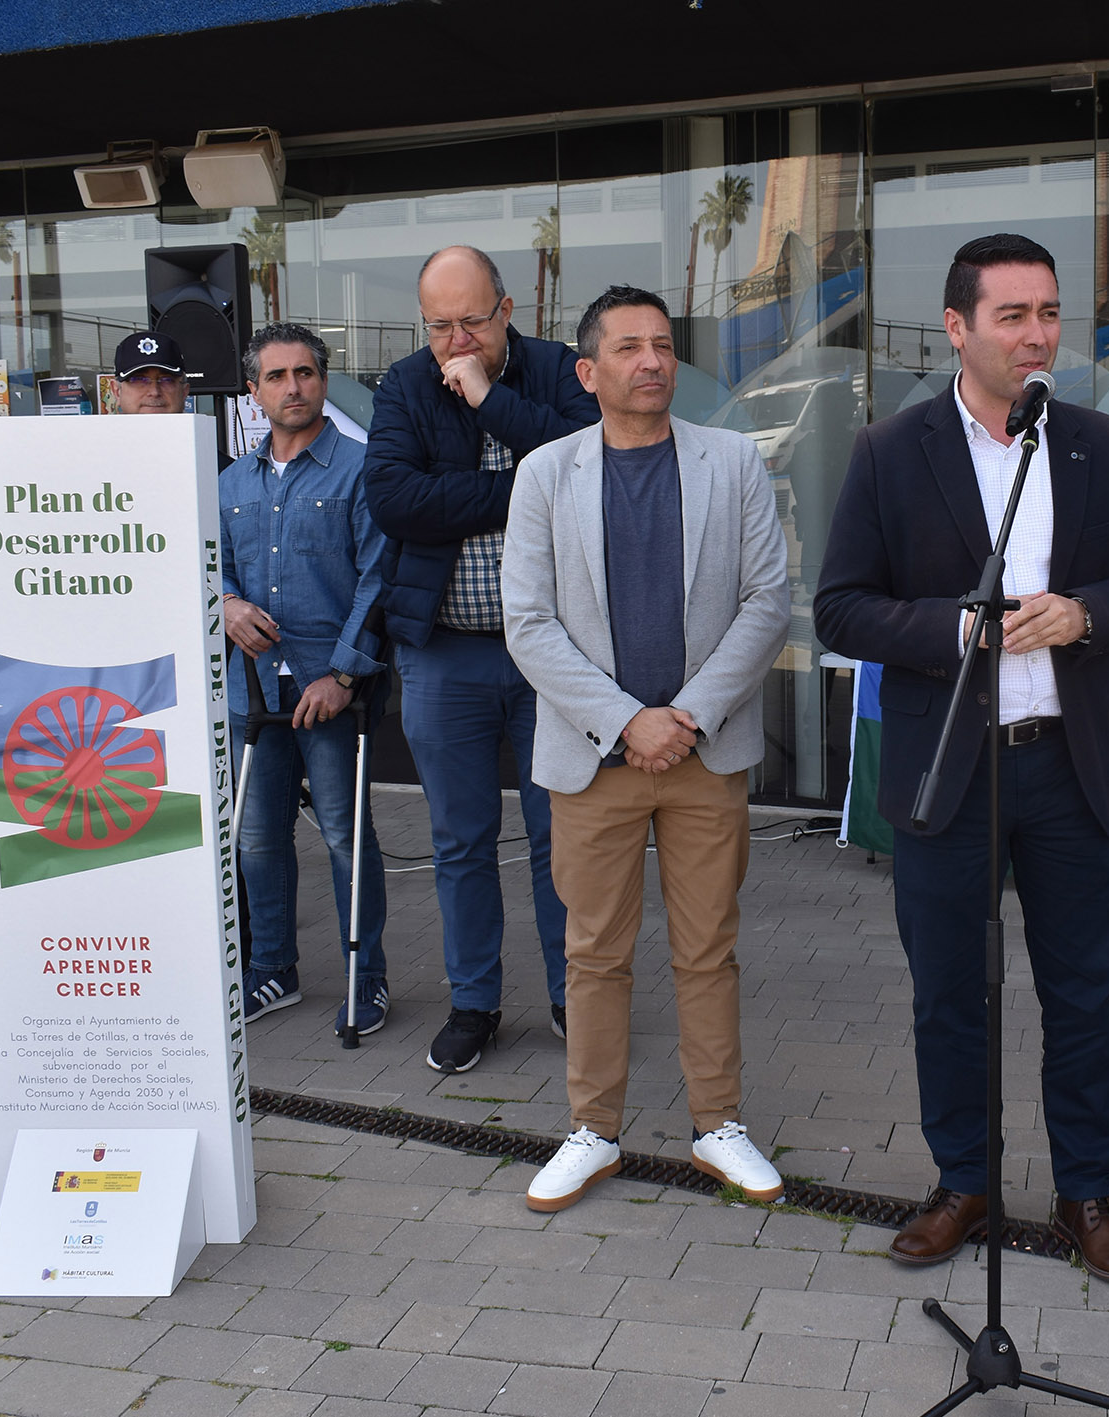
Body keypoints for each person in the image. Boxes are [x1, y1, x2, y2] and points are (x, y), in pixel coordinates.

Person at [814, 234, 1109, 1284]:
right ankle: (962, 1181)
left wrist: (1081, 614)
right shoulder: (891, 450)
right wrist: (954, 629)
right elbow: (840, 605)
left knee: (1079, 992)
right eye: (1012, 315)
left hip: (1069, 769)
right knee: (948, 993)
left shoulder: (1105, 446)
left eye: (1048, 313)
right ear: (956, 327)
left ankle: (1086, 1194)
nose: (1035, 334)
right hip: (948, 770)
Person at [503, 286, 791, 1211]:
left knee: (709, 948)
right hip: (595, 761)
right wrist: (629, 719)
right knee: (593, 953)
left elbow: (766, 603)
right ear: (588, 373)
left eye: (663, 345)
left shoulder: (733, 463)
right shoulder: (544, 473)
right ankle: (593, 1130)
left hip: (704, 755)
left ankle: (718, 1124)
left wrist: (690, 714)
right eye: (628, 348)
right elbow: (529, 623)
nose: (652, 361)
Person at [364, 246, 601, 1074]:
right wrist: (520, 490)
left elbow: (590, 460)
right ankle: (475, 1003)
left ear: (507, 308)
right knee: (460, 840)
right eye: (439, 326)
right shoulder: (401, 385)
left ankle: (576, 999)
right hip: (446, 654)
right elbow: (394, 501)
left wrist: (491, 400)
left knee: (558, 839)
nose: (456, 341)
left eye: (471, 321)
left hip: (557, 659)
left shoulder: (561, 371)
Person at [219, 324, 392, 1038]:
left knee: (347, 839)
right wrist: (224, 603)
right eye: (277, 376)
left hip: (331, 692)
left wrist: (345, 675)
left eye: (305, 373)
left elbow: (379, 578)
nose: (293, 387)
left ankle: (368, 979)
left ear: (322, 379)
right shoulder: (230, 481)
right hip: (253, 689)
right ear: (253, 391)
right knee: (257, 840)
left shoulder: (360, 468)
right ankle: (274, 970)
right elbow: (212, 564)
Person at [115, 332, 190, 415]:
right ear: (117, 391)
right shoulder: (99, 428)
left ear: (184, 392)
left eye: (166, 380)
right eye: (139, 379)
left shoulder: (203, 427)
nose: (154, 392)